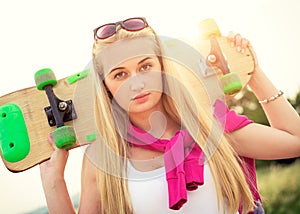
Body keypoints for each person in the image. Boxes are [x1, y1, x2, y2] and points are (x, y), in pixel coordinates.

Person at [39, 17, 300, 214]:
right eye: (120, 74)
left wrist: (253, 72)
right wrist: (54, 183)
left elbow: (295, 140)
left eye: (145, 66)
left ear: (162, 67)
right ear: (105, 85)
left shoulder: (212, 126)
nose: (137, 83)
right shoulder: (104, 158)